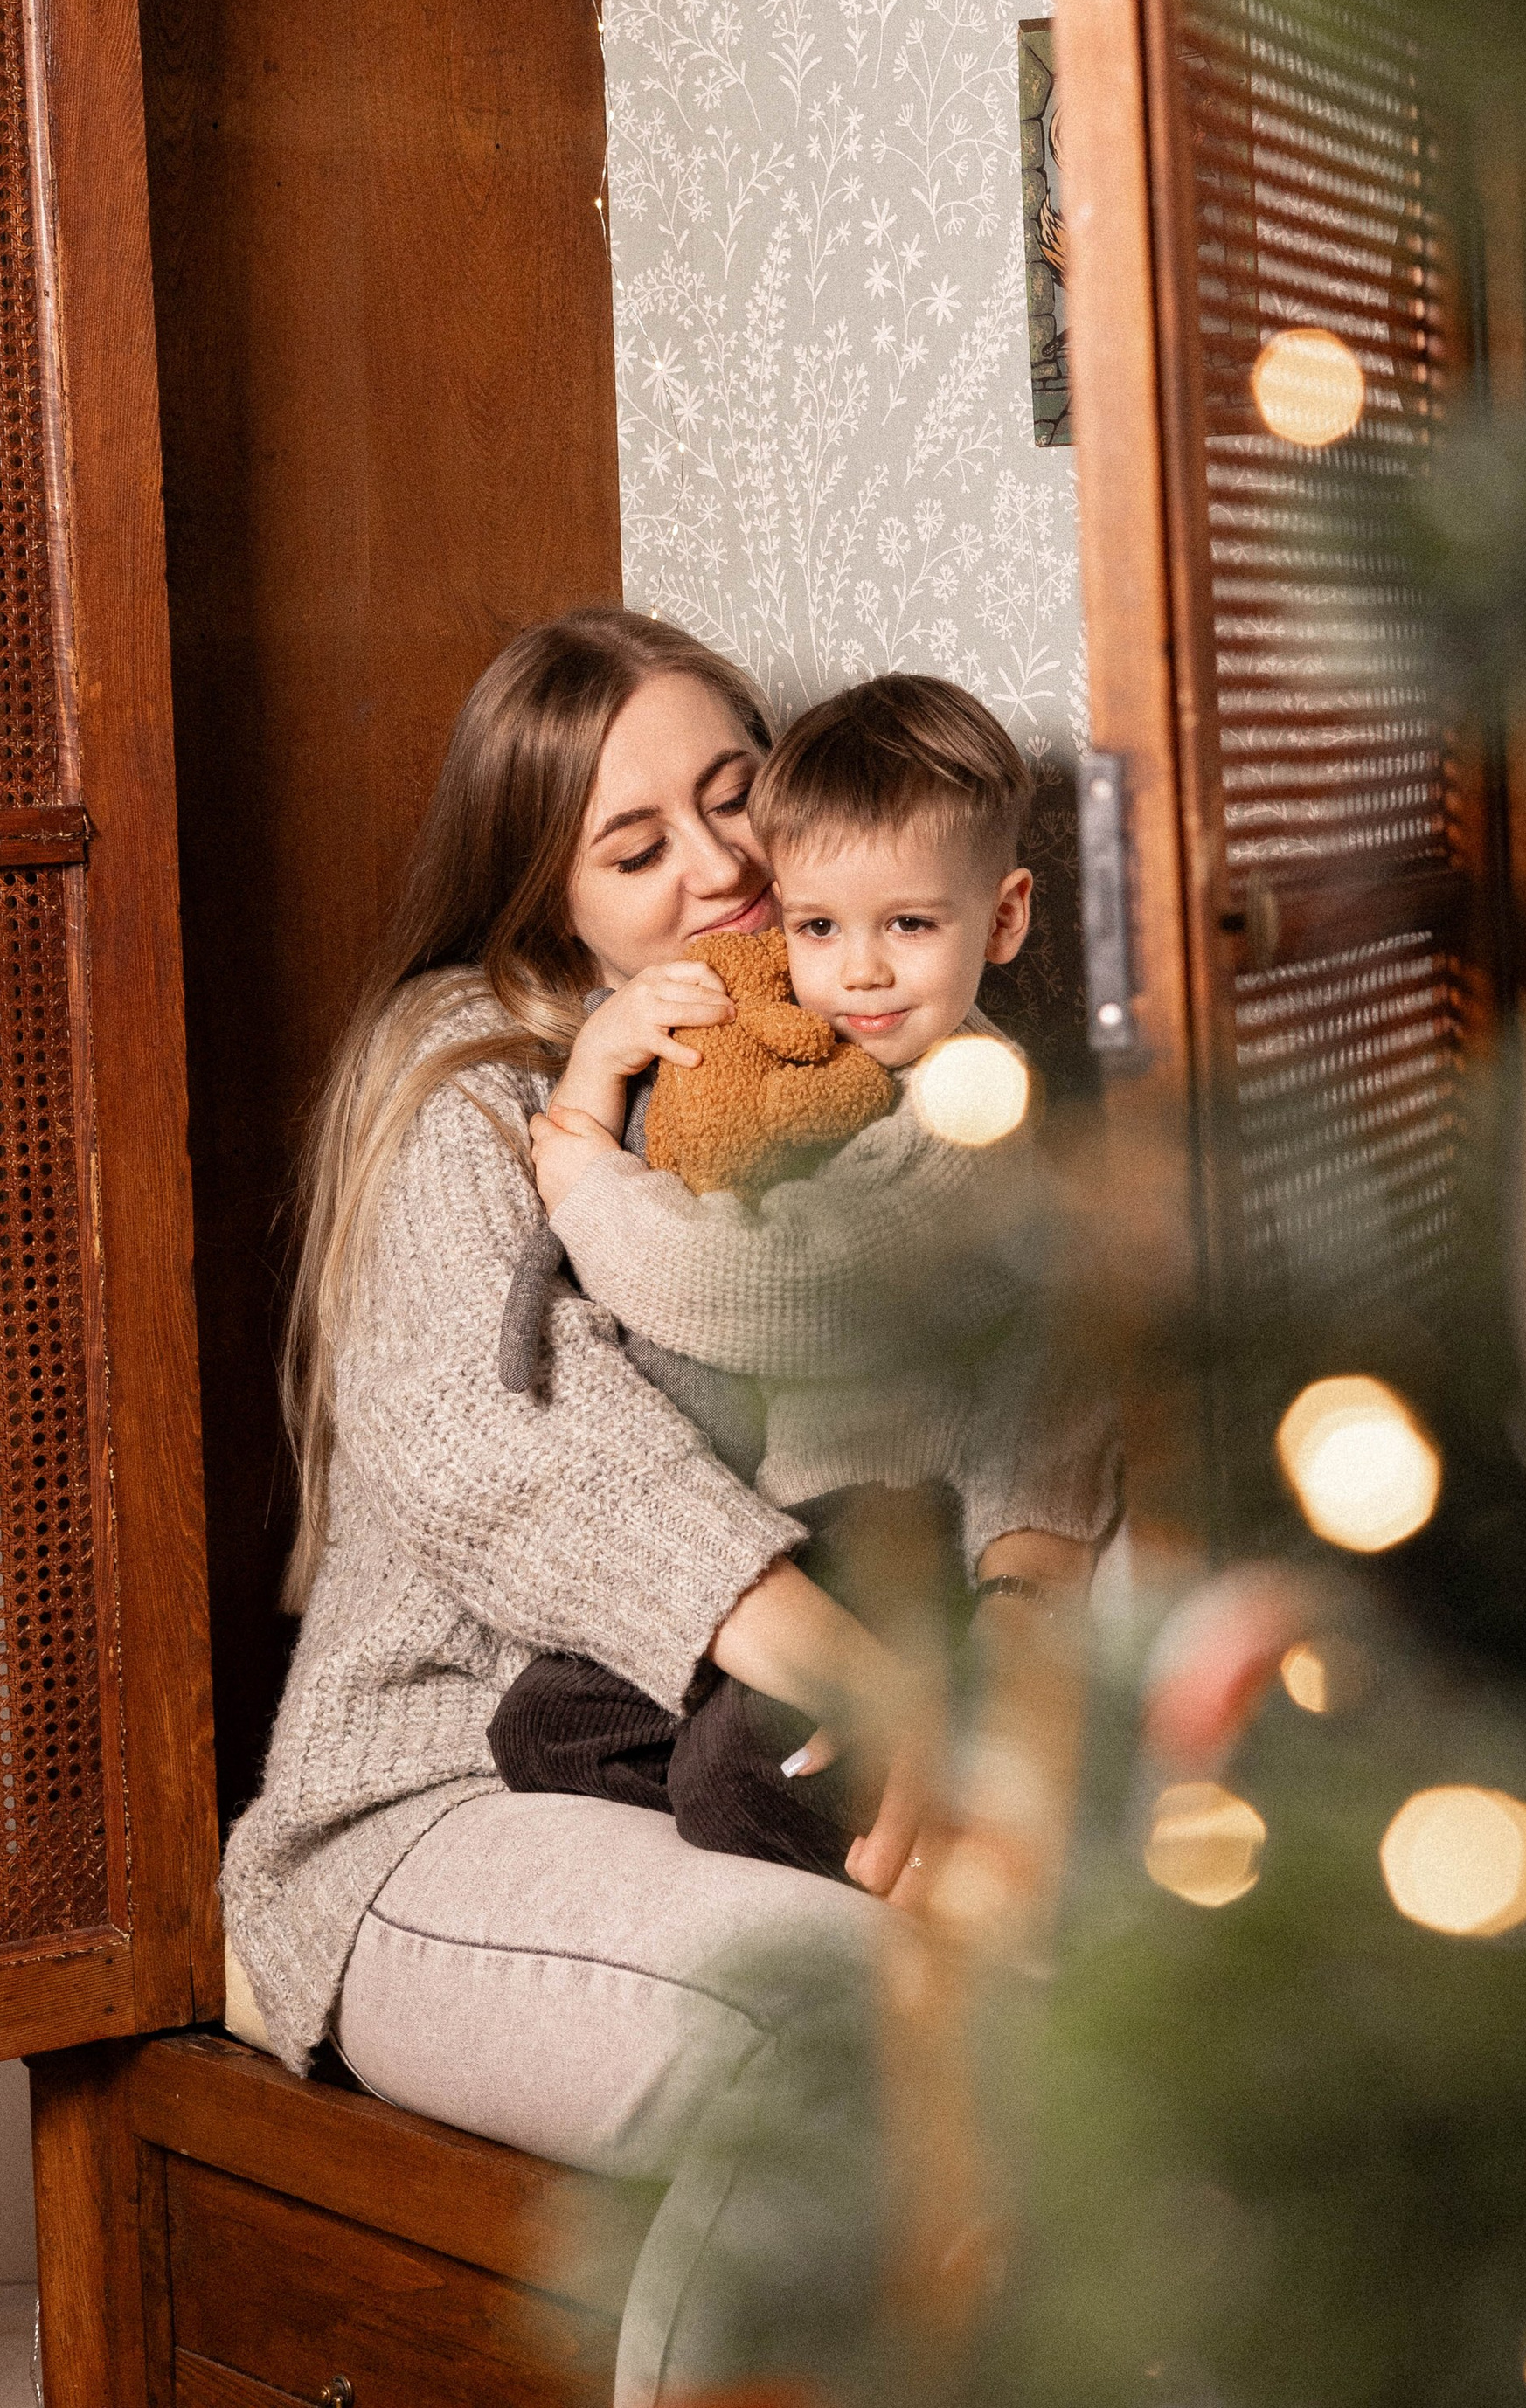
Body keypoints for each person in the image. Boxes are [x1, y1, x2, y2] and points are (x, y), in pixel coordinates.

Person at [218, 609, 1082, 2402]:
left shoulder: (872, 1039)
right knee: (848, 2037)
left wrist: (1010, 1617)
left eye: (734, 797)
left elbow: (1017, 1331)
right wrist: (875, 1686)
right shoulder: (475, 1073)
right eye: (635, 846)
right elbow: (513, 1456)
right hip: (431, 1800)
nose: (721, 870)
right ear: (545, 899)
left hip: (744, 1763)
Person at [491, 674, 1118, 1879]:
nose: (861, 974)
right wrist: (590, 1086)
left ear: (1004, 918)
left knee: (735, 1771)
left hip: (894, 1521)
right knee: (542, 1722)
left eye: (911, 927)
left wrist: (585, 1184)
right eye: (820, 928)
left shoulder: (970, 1106)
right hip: (781, 1530)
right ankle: (761, 1768)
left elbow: (775, 1294)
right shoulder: (809, 1051)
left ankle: (936, 1836)